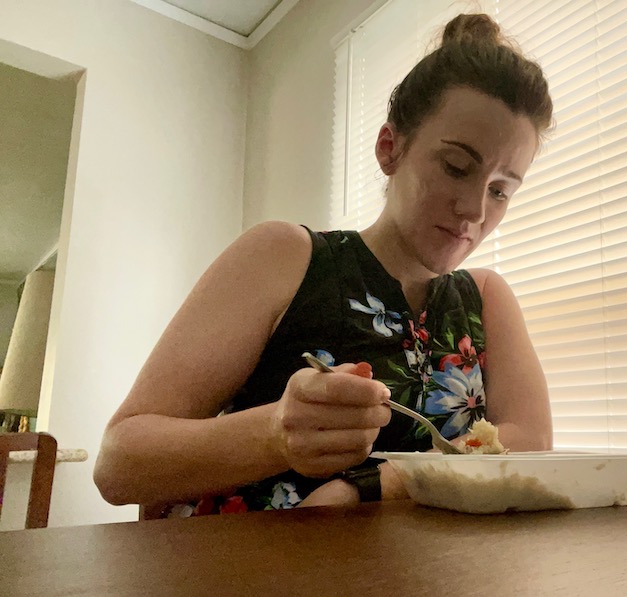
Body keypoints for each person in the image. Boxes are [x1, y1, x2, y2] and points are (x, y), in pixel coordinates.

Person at [94, 13, 554, 516]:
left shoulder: (486, 299)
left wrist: (381, 482)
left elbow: (530, 443)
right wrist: (274, 435)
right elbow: (119, 464)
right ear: (390, 148)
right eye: (456, 167)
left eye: (500, 190)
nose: (476, 210)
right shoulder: (283, 257)